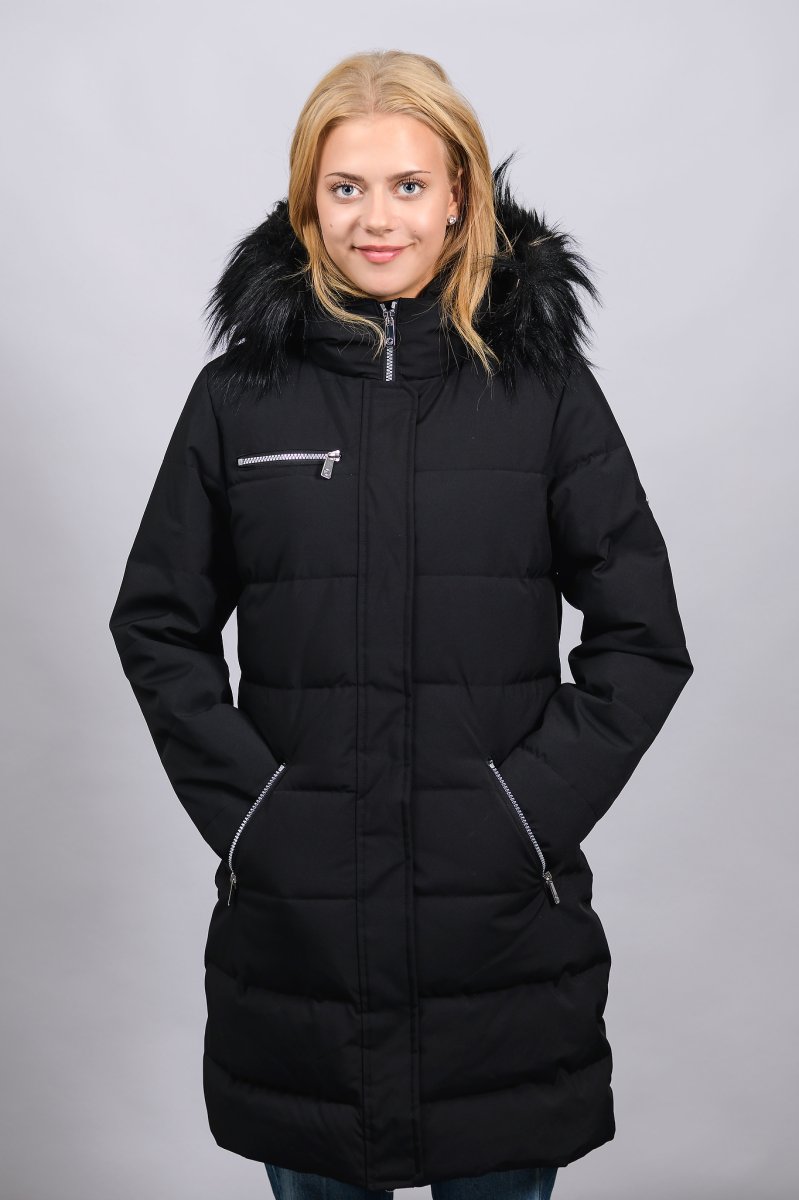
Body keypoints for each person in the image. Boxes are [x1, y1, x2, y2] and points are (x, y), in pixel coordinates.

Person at [108, 49, 693, 1200]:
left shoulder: (544, 394)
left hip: (500, 940)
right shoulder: (237, 402)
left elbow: (642, 634)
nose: (376, 219)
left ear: (460, 196)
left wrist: (522, 814)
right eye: (345, 188)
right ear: (306, 202)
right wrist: (256, 814)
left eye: (408, 186)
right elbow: (158, 624)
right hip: (303, 948)